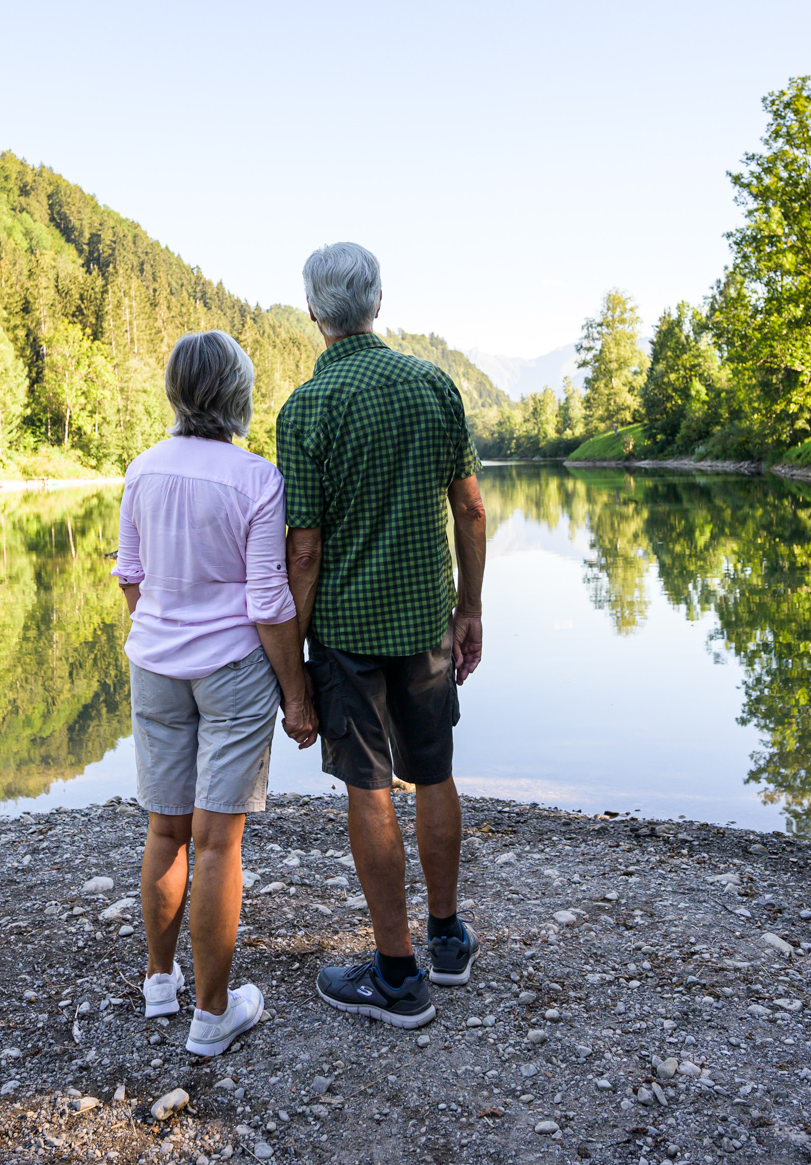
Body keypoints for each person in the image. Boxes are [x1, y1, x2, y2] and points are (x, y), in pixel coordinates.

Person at [275, 242, 487, 1030]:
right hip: (427, 621)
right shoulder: (433, 385)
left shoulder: (306, 409)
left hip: (346, 632)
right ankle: (447, 940)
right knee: (433, 773)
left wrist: (293, 662)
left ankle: (397, 976)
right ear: (378, 303)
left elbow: (305, 548)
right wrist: (470, 608)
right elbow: (470, 507)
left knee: (371, 790)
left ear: (314, 315)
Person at [111, 330, 318, 1057]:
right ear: (238, 394)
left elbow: (129, 576)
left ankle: (158, 983)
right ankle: (211, 1014)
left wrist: (165, 632)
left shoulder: (142, 469)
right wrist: (296, 694)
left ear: (175, 390)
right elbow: (269, 601)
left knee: (166, 830)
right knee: (217, 840)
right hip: (231, 670)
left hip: (155, 666)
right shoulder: (257, 478)